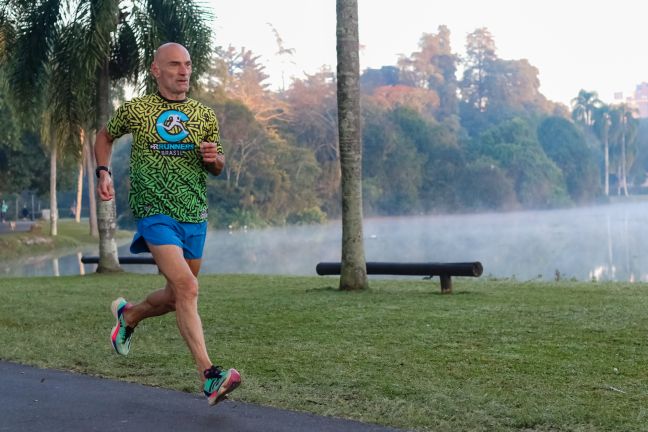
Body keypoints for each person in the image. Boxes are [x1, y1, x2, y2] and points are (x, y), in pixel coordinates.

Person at [94, 42, 240, 406]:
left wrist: (215, 158)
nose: (184, 70)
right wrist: (102, 172)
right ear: (156, 70)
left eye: (187, 64)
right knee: (188, 289)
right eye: (174, 64)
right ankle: (209, 376)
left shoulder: (204, 115)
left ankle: (129, 316)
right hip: (155, 213)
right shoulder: (139, 109)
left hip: (194, 215)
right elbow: (104, 136)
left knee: (178, 296)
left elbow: (218, 166)